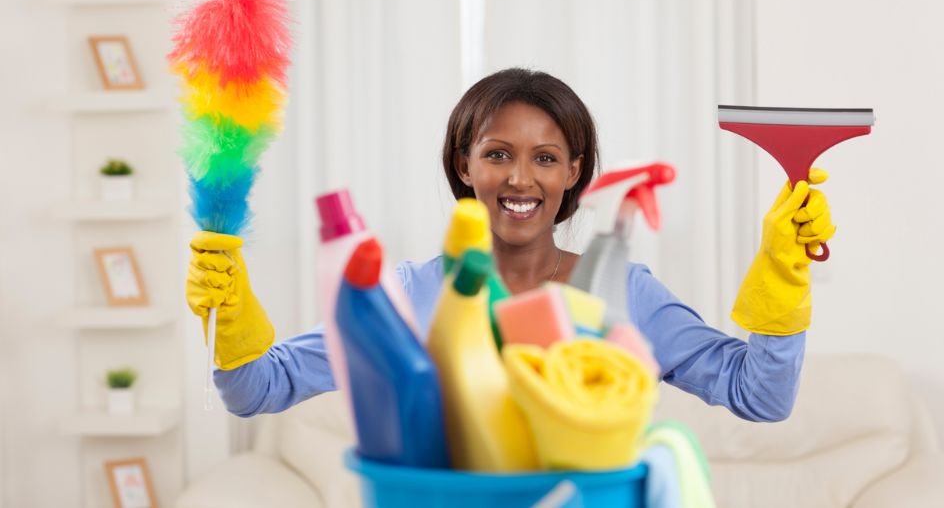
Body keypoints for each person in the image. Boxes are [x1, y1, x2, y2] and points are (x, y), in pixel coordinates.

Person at [186, 68, 836, 421]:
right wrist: (233, 317)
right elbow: (257, 391)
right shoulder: (409, 295)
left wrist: (783, 276)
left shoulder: (622, 292)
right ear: (464, 165)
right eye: (498, 154)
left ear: (574, 171)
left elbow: (761, 396)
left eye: (546, 157)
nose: (521, 177)